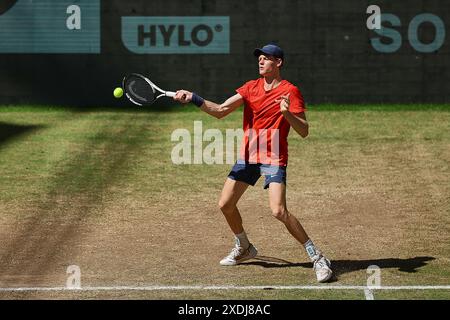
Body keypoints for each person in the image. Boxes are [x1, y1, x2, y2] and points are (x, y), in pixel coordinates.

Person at [173, 44, 333, 282]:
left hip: (273, 157)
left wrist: (287, 114)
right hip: (250, 155)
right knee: (225, 204)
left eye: (266, 58)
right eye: (259, 58)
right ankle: (244, 246)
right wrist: (193, 97)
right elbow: (220, 110)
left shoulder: (290, 91)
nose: (260, 62)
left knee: (278, 211)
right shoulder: (250, 87)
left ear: (278, 63)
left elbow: (304, 131)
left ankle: (317, 257)